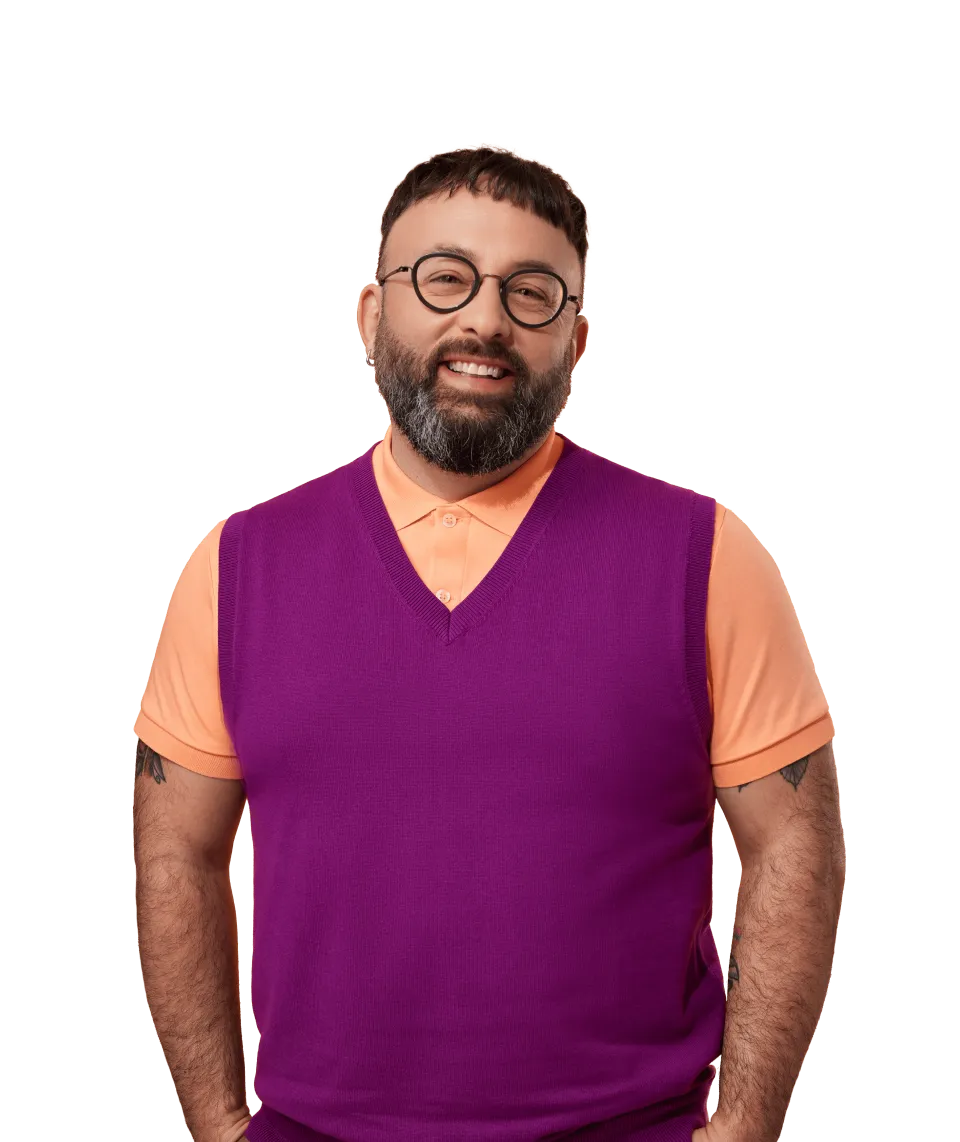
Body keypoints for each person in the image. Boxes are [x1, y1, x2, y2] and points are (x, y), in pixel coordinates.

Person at [132, 143, 845, 1142]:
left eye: (532, 292)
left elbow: (790, 841)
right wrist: (215, 1121)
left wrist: (747, 1126)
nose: (487, 320)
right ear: (370, 312)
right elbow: (176, 846)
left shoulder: (707, 555)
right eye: (446, 278)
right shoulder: (234, 566)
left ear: (578, 337)